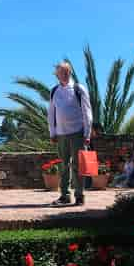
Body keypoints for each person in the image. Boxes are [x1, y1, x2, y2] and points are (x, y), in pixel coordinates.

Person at [47, 61, 93, 206]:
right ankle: (64, 195)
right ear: (57, 75)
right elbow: (51, 113)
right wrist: (52, 132)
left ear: (70, 72)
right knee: (63, 166)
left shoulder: (79, 89)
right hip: (61, 134)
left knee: (78, 166)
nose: (64, 75)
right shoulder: (54, 91)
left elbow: (87, 112)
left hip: (77, 133)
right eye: (61, 72)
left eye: (66, 72)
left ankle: (79, 195)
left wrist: (87, 134)